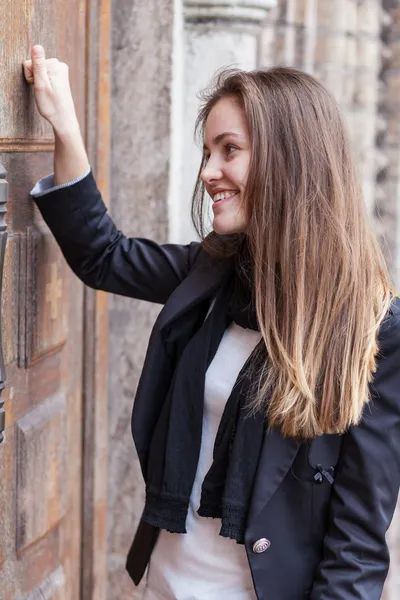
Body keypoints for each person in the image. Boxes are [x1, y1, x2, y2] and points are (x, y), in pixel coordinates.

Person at [23, 45, 400, 600]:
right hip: (166, 583)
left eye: (230, 150)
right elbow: (104, 255)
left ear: (290, 160)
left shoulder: (371, 330)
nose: (208, 172)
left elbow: (358, 544)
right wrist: (65, 125)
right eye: (206, 151)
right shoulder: (214, 274)